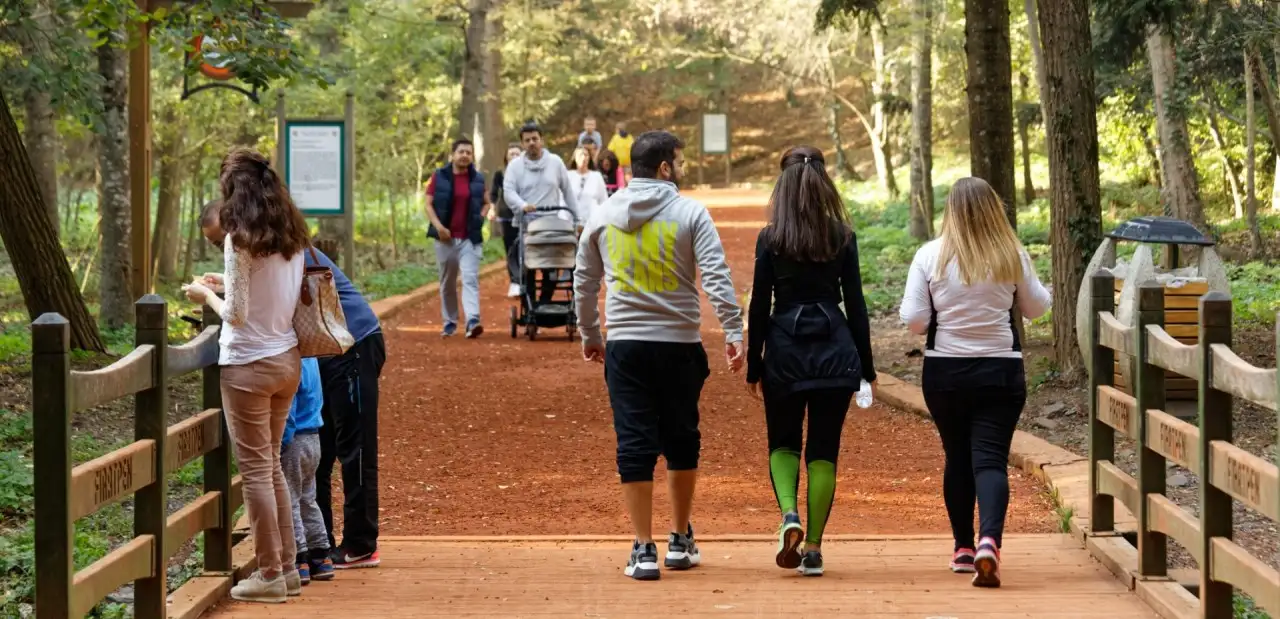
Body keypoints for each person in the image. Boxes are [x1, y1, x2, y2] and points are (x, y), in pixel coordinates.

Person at [574, 130, 745, 581]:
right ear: (665, 167)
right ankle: (680, 537)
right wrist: (733, 329)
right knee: (682, 438)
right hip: (679, 343)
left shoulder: (604, 214)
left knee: (634, 442)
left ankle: (642, 547)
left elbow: (584, 281)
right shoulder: (690, 213)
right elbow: (715, 274)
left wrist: (591, 333)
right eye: (680, 162)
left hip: (626, 345)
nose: (683, 169)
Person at [200, 205, 386, 572]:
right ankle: (319, 547)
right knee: (320, 444)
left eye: (221, 238)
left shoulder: (279, 242)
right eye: (214, 243)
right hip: (323, 350)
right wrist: (226, 282)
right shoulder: (266, 243)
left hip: (352, 342)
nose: (222, 245)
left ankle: (361, 544)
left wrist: (217, 293)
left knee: (355, 447)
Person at [898, 176, 1051, 588]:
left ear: (951, 211)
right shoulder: (1011, 255)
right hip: (1000, 371)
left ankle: (963, 548)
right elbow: (1036, 308)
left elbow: (914, 321)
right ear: (993, 210)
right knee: (989, 458)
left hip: (946, 373)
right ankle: (990, 542)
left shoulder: (929, 256)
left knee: (957, 455)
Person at [183, 148, 309, 603]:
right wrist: (225, 278)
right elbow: (270, 290)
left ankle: (270, 573)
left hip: (248, 367)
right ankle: (289, 568)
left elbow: (234, 314)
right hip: (286, 361)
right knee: (271, 464)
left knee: (256, 471)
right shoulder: (292, 235)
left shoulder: (240, 239)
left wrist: (204, 296)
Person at [745, 146, 877, 577]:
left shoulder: (771, 238)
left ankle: (789, 515)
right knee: (824, 451)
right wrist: (866, 369)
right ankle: (815, 548)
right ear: (824, 183)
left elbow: (759, 305)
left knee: (783, 443)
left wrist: (754, 364)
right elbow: (856, 306)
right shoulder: (843, 235)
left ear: (782, 186)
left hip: (785, 351)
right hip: (836, 352)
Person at [503, 122, 580, 303]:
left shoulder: (555, 162)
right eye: (527, 140)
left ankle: (545, 302)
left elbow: (567, 191)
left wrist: (577, 218)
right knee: (527, 265)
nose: (532, 143)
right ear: (522, 144)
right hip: (527, 225)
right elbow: (508, 191)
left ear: (542, 140)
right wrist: (522, 205)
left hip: (552, 224)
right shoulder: (515, 167)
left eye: (535, 139)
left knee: (553, 264)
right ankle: (530, 303)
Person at [425, 138, 492, 338]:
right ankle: (450, 321)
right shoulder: (439, 176)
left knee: (470, 278)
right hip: (445, 239)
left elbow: (487, 203)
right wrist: (439, 227)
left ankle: (473, 320)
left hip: (469, 238)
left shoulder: (478, 178)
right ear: (452, 155)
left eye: (468, 153)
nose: (465, 155)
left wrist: (480, 217)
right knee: (447, 282)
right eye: (461, 152)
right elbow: (428, 204)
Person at [280, 357, 334, 585]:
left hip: (296, 439)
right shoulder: (311, 358)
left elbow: (289, 409)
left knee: (290, 499)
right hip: (313, 438)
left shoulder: (293, 361)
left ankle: (299, 558)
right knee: (307, 499)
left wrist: (281, 441)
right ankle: (321, 555)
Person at [491, 143, 525, 298]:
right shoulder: (500, 174)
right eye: (511, 154)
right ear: (506, 157)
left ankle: (525, 280)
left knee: (525, 248)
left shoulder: (527, 172)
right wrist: (492, 209)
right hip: (506, 216)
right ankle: (514, 281)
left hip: (525, 216)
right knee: (510, 248)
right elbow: (493, 194)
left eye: (517, 154)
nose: (514, 156)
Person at [570, 146, 608, 223]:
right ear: (575, 157)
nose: (583, 157)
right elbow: (562, 200)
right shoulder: (568, 175)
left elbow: (604, 200)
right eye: (580, 154)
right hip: (571, 223)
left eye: (586, 155)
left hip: (592, 223)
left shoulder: (596, 176)